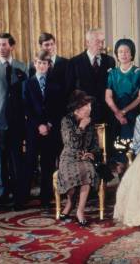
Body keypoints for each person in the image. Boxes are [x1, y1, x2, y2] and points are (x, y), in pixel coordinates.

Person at [0, 33, 28, 205]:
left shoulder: (22, 67)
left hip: (17, 120)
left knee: (16, 159)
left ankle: (19, 195)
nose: (1, 48)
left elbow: (25, 93)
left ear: (12, 46)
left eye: (4, 44)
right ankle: (2, 195)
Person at [17, 50, 65, 210]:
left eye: (45, 63)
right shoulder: (27, 84)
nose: (42, 66)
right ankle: (22, 198)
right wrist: (39, 125)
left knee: (48, 164)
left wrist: (49, 124)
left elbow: (59, 108)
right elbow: (26, 108)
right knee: (29, 163)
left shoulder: (56, 84)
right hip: (34, 130)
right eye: (39, 63)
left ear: (49, 65)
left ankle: (46, 198)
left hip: (51, 131)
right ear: (34, 64)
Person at [57, 91, 100, 227]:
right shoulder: (66, 121)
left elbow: (95, 145)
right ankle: (70, 203)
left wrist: (91, 153)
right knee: (70, 174)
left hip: (83, 157)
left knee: (87, 169)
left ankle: (80, 211)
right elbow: (71, 143)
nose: (89, 110)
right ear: (77, 110)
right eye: (86, 107)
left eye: (90, 107)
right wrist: (82, 126)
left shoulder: (91, 123)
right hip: (68, 157)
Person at [65, 29, 116, 123]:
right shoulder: (74, 62)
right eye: (98, 42)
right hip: (83, 116)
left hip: (106, 114)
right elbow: (69, 92)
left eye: (102, 41)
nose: (101, 45)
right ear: (88, 42)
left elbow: (113, 88)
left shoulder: (110, 61)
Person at [105, 39, 140, 146]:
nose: (123, 54)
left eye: (127, 51)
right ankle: (120, 160)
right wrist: (118, 112)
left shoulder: (139, 72)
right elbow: (108, 97)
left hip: (134, 111)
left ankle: (133, 158)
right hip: (115, 111)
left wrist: (124, 111)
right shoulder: (112, 73)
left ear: (132, 54)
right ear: (117, 55)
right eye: (120, 51)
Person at [29, 32, 69, 107]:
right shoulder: (33, 66)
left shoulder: (66, 63)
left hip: (60, 107)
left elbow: (68, 88)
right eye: (47, 45)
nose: (50, 47)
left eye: (52, 44)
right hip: (40, 110)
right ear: (41, 46)